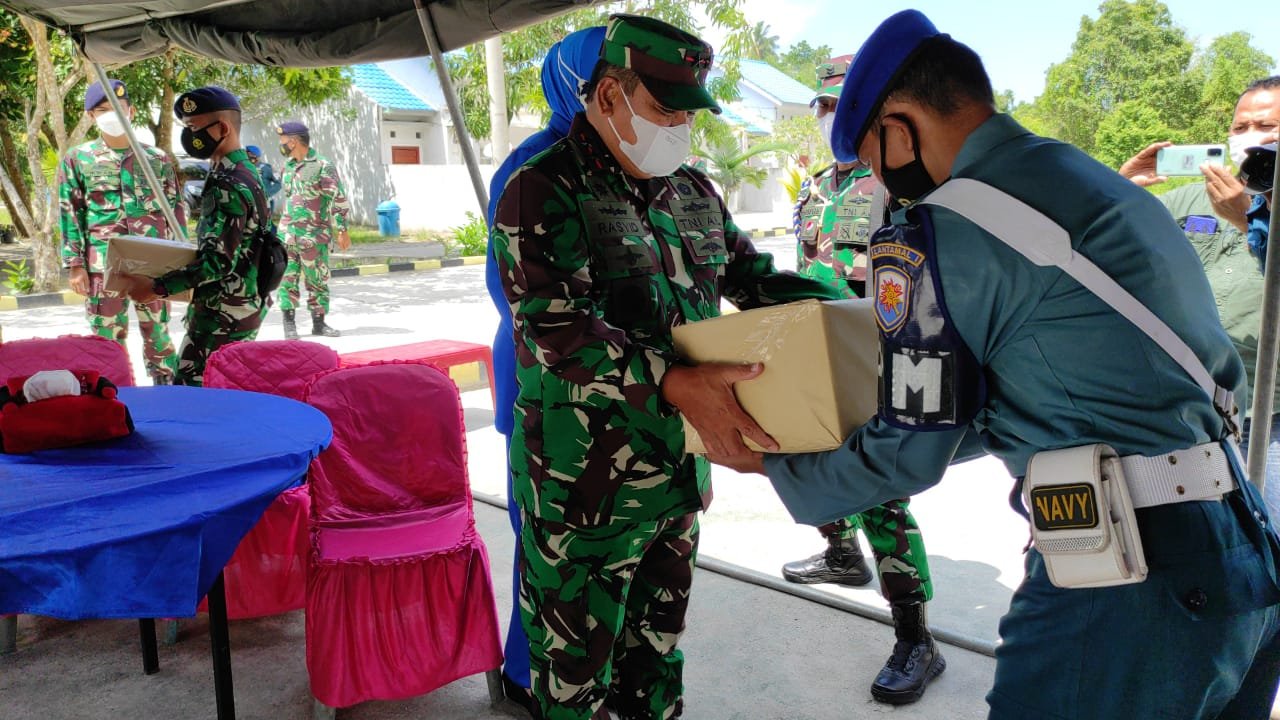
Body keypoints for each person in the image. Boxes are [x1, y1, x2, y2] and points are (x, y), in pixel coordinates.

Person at [690, 10, 1280, 718]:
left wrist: (774, 464)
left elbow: (909, 451)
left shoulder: (941, 233)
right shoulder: (1094, 183)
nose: (880, 176)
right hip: (1240, 547)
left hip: (1127, 581)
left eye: (875, 154)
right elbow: (1035, 393)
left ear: (900, 123)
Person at [491, 14, 846, 720]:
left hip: (676, 477)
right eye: (664, 105)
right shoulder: (541, 188)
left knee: (656, 662)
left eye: (688, 107)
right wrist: (671, 378)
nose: (679, 121)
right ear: (609, 94)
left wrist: (849, 311)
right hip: (581, 492)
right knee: (575, 680)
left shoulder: (692, 191)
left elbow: (754, 280)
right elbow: (555, 325)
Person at [782, 56, 943, 705]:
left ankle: (916, 637)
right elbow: (805, 263)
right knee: (809, 453)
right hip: (813, 347)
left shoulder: (903, 187)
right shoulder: (815, 187)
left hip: (876, 356)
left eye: (840, 106)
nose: (830, 118)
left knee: (880, 490)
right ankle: (842, 552)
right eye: (822, 107)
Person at [483, 25, 606, 714]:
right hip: (546, 388)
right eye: (603, 86)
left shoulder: (623, 161)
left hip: (616, 391)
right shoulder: (532, 165)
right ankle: (527, 675)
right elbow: (514, 289)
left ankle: (590, 666)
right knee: (547, 540)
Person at [1119, 75, 1280, 518]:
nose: (1250, 138)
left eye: (1267, 127)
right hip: (1193, 409)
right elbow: (1107, 257)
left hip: (1271, 417)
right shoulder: (1192, 197)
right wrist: (1117, 193)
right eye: (1240, 127)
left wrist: (1252, 223)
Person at [120, 86, 270, 387]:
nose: (188, 136)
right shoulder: (243, 170)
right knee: (222, 390)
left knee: (193, 394)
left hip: (222, 314)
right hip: (238, 306)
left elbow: (217, 262)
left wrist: (158, 287)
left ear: (222, 128)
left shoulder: (228, 182)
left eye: (193, 128)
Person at [57, 79, 182, 386]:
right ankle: (119, 397)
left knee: (159, 332)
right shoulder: (78, 159)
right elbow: (71, 213)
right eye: (103, 109)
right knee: (107, 337)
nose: (112, 113)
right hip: (103, 266)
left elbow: (174, 209)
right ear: (91, 116)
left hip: (152, 263)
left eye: (118, 107)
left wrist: (180, 260)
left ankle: (166, 394)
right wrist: (75, 265)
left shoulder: (156, 159)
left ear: (131, 110)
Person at [275, 120, 350, 339]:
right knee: (287, 279)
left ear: (294, 140)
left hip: (313, 236)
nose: (281, 143)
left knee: (317, 279)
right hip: (288, 235)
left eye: (283, 139)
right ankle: (289, 325)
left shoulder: (322, 165)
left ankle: (319, 322)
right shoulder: (287, 166)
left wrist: (342, 230)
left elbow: (338, 198)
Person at [245, 144, 282, 217]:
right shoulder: (245, 167)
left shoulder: (267, 168)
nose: (246, 156)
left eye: (248, 154)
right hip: (250, 202)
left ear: (254, 155)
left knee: (266, 225)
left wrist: (266, 194)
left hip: (265, 203)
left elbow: (278, 183)